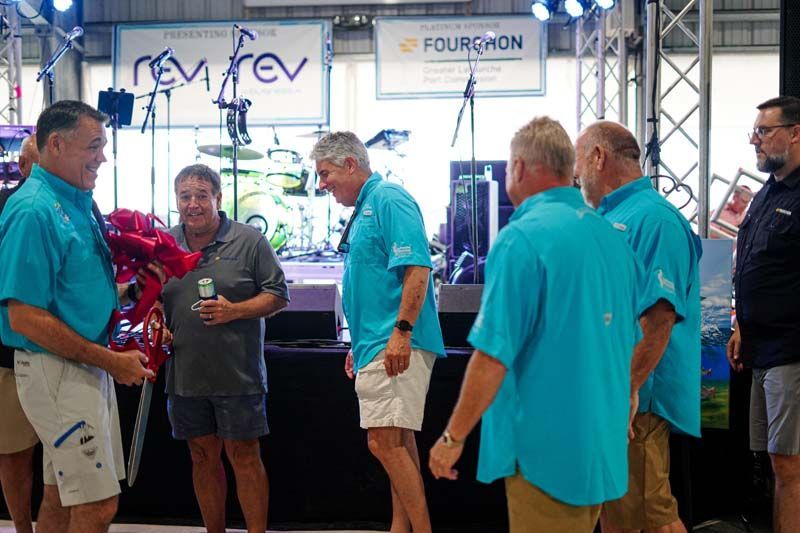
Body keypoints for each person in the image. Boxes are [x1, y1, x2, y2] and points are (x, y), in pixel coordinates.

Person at [429, 117, 646, 533]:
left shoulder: (522, 238)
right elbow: (626, 341)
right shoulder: (612, 237)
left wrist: (452, 438)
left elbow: (493, 355)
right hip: (600, 445)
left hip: (546, 451)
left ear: (520, 168)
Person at [0, 100, 153, 533]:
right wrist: (111, 362)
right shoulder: (34, 210)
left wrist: (133, 291)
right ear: (56, 145)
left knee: (61, 497)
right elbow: (24, 317)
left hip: (81, 369)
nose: (103, 156)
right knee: (98, 505)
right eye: (94, 146)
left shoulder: (77, 200)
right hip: (59, 374)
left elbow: (73, 289)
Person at [310, 132, 445, 533]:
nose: (321, 185)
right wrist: (360, 342)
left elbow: (418, 268)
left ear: (350, 164)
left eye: (325, 173)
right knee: (397, 444)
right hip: (377, 343)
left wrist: (401, 332)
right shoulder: (369, 204)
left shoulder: (388, 198)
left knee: (383, 443)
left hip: (396, 342)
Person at [576, 121, 702, 533]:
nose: (576, 177)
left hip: (637, 401)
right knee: (619, 511)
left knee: (650, 512)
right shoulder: (611, 217)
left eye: (578, 164)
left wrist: (623, 390)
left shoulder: (655, 220)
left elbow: (659, 320)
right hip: (612, 391)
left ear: (598, 157)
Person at [160, 163, 289, 533]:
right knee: (202, 457)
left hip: (238, 375)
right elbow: (152, 298)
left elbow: (278, 295)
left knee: (244, 456)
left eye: (202, 195)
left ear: (218, 198)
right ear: (177, 201)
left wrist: (235, 311)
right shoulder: (165, 244)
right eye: (185, 196)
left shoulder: (250, 240)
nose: (193, 204)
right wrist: (158, 325)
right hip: (184, 377)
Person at [728, 95, 800, 533]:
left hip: (790, 351)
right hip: (760, 349)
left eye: (764, 131)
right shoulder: (766, 193)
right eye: (754, 132)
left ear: (795, 133)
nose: (755, 140)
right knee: (773, 462)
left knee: (788, 466)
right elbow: (754, 267)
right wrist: (741, 325)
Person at [0, 134, 40, 533]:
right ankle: (22, 528)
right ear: (22, 167)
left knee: (63, 455)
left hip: (63, 353)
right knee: (13, 452)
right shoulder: (5, 206)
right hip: (7, 356)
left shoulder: (81, 203)